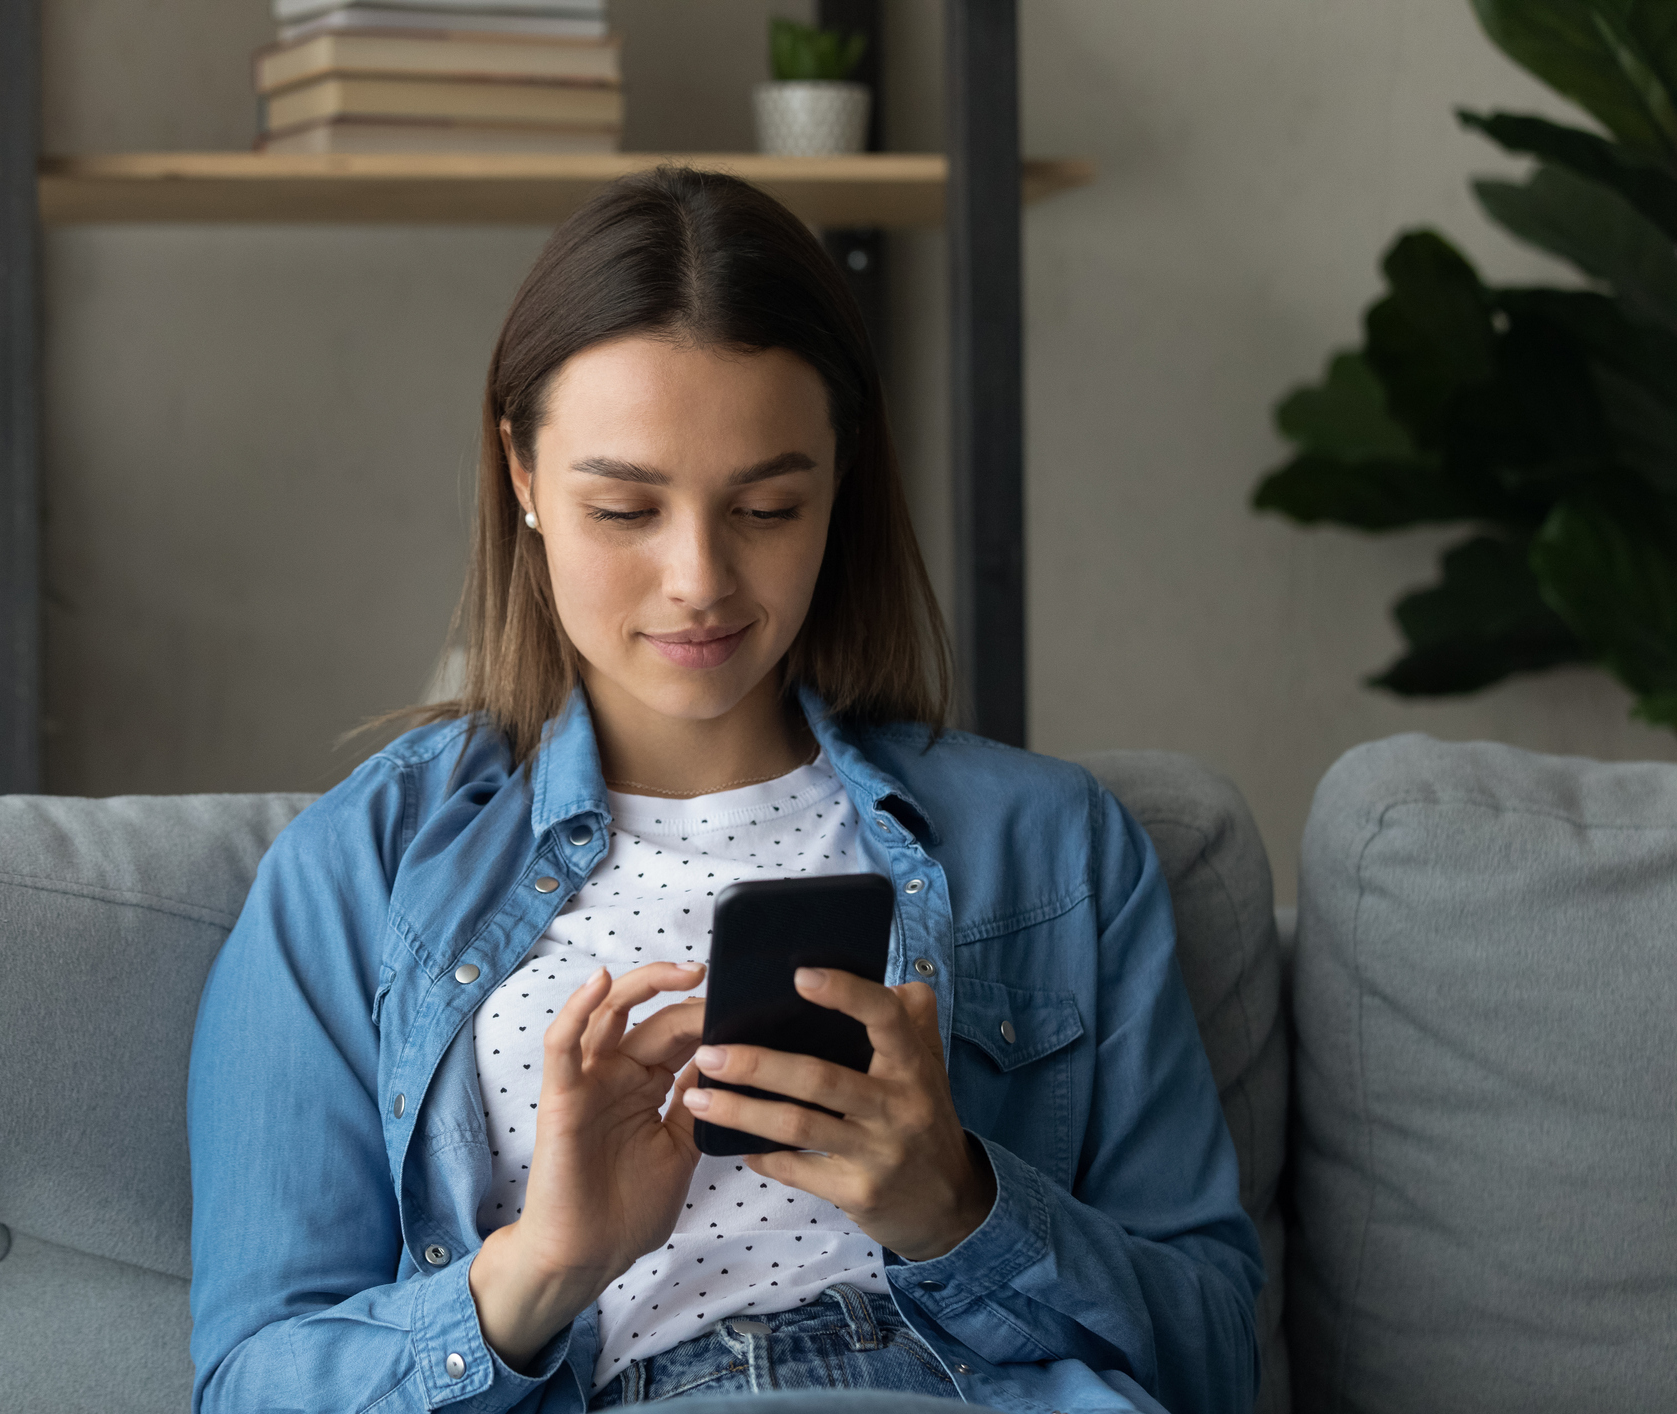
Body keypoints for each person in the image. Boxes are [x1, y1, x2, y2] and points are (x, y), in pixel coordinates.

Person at [187, 167, 1262, 1413]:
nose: (699, 576)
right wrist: (543, 1266)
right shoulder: (360, 874)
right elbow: (253, 1385)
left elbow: (1217, 1360)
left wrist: (960, 1205)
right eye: (623, 507)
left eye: (766, 505)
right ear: (522, 475)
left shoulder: (1054, 848)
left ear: (838, 485)